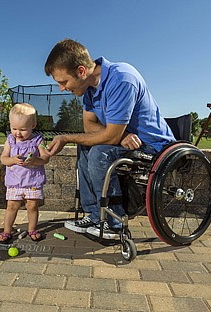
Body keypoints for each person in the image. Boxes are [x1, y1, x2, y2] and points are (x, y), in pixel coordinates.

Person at [44, 38, 176, 239]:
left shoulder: (122, 78)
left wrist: (69, 137)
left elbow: (110, 136)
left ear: (81, 71)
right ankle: (95, 214)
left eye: (63, 82)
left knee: (99, 152)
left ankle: (115, 223)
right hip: (127, 142)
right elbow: (89, 127)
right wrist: (120, 135)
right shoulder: (88, 89)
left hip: (153, 145)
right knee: (86, 147)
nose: (62, 88)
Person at [0, 103, 50, 242]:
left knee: (32, 206)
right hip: (15, 181)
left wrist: (35, 160)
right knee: (11, 206)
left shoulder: (38, 140)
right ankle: (7, 230)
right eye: (14, 128)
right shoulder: (10, 140)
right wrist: (13, 160)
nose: (18, 133)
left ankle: (32, 229)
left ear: (33, 125)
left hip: (32, 181)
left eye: (22, 129)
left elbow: (46, 158)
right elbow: (3, 159)